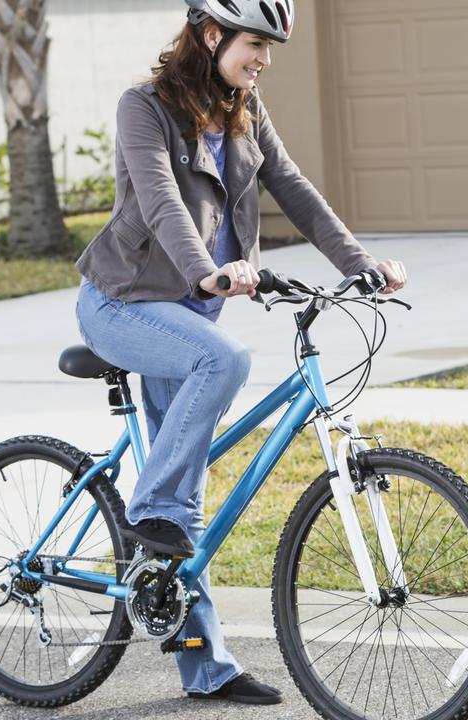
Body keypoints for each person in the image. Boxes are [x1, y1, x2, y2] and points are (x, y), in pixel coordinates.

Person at [73, 0, 407, 704]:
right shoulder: (144, 107)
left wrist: (361, 261)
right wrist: (206, 269)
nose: (264, 59)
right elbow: (162, 200)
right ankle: (149, 513)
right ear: (210, 33)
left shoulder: (245, 111)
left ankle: (206, 668)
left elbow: (298, 192)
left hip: (189, 313)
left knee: (183, 500)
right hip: (123, 304)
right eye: (256, 43)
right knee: (222, 369)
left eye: (271, 47)